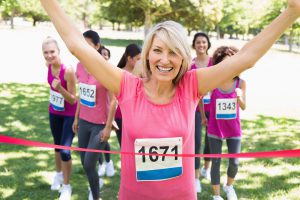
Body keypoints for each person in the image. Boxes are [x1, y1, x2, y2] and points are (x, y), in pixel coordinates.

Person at [40, 0, 300, 199]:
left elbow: (247, 58)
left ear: (183, 58)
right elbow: (77, 45)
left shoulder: (191, 85)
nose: (165, 60)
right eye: (158, 51)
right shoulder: (127, 86)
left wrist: (291, 11)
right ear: (147, 55)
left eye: (174, 52)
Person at [72, 30, 117, 200]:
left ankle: (96, 196)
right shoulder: (79, 66)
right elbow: (82, 96)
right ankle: (95, 184)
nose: (83, 47)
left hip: (100, 124)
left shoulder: (105, 69)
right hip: (83, 121)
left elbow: (114, 101)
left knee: (90, 162)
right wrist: (76, 118)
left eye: (88, 44)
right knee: (86, 164)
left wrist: (108, 127)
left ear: (97, 46)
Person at [207, 46, 246, 200]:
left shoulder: (240, 83)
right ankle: (216, 196)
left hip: (233, 129)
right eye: (224, 63)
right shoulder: (213, 82)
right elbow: (202, 98)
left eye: (231, 63)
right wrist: (203, 115)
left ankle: (229, 186)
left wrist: (239, 98)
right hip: (215, 128)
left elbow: (244, 106)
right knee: (215, 161)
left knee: (234, 162)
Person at [42, 37, 77, 200]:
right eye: (46, 52)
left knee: (65, 150)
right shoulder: (48, 66)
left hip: (69, 114)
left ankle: (67, 186)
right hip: (54, 111)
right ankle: (58, 174)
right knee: (56, 145)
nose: (49, 55)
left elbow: (72, 99)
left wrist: (60, 88)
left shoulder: (68, 70)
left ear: (58, 52)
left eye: (52, 52)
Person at [191, 32, 213, 192]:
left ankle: (207, 168)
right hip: (196, 111)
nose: (201, 45)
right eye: (198, 42)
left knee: (211, 142)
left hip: (213, 109)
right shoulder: (190, 65)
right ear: (194, 45)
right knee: (196, 143)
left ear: (208, 44)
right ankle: (196, 177)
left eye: (204, 42)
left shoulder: (215, 62)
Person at [115, 43, 141, 147]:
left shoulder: (143, 73)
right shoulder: (119, 73)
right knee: (126, 149)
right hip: (121, 116)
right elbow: (113, 98)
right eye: (138, 59)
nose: (141, 62)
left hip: (138, 116)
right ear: (130, 59)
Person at [96, 45, 116, 178]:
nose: (104, 56)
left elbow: (114, 99)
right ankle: (101, 163)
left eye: (106, 54)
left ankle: (108, 162)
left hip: (106, 113)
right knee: (96, 142)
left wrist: (111, 119)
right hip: (94, 112)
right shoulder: (93, 70)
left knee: (103, 140)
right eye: (102, 53)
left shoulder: (110, 73)